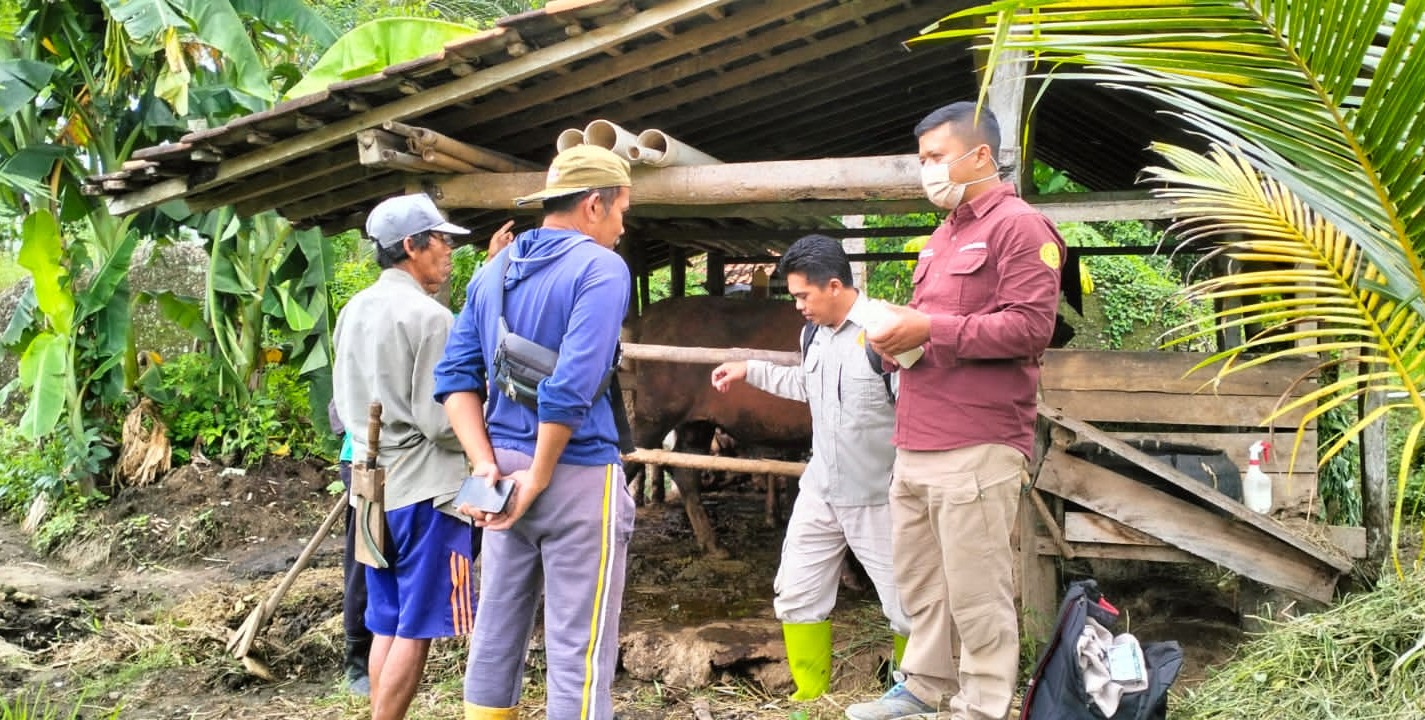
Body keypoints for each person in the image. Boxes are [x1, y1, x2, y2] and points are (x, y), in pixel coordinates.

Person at [846, 102, 1065, 720]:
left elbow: (1030, 328)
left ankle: (983, 703)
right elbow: (933, 328)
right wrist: (895, 341)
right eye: (922, 160)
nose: (927, 171)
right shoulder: (943, 236)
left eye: (936, 157)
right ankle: (924, 686)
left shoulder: (1022, 228)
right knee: (922, 580)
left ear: (981, 155)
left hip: (977, 437)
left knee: (976, 585)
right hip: (917, 433)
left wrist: (930, 329)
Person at [433, 144, 635, 720]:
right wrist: (540, 478)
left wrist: (484, 465)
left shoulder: (493, 271)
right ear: (594, 204)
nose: (623, 228)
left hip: (501, 475)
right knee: (579, 646)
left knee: (497, 628)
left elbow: (454, 377)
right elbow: (570, 388)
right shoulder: (601, 268)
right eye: (622, 211)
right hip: (575, 474)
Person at [709, 234, 910, 702]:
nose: (797, 306)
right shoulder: (813, 334)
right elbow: (808, 383)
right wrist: (750, 369)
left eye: (803, 296)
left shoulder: (885, 333)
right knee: (797, 590)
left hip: (876, 493)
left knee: (906, 603)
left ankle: (911, 692)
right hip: (821, 488)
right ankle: (811, 693)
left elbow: (917, 408)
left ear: (834, 286)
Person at [331, 193, 481, 720]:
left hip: (371, 486)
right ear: (412, 246)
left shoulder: (353, 310)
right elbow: (440, 423)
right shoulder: (431, 318)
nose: (449, 251)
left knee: (387, 621)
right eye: (441, 241)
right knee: (416, 628)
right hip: (424, 491)